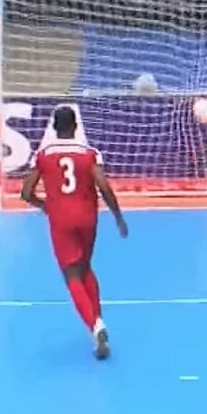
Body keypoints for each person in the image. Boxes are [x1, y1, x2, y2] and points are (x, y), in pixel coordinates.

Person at [21, 106, 129, 359]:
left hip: (61, 219)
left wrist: (45, 206)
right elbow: (103, 186)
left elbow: (26, 192)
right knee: (85, 268)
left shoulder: (44, 155)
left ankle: (95, 326)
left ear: (54, 128)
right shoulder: (90, 154)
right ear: (76, 127)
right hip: (88, 218)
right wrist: (118, 216)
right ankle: (98, 317)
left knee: (71, 276)